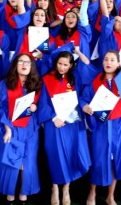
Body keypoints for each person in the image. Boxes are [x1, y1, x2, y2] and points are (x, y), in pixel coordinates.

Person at [81, 51, 121, 205]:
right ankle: (92, 192)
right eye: (105, 59)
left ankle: (111, 195)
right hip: (101, 126)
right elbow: (84, 98)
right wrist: (85, 107)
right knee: (98, 160)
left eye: (112, 60)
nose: (108, 62)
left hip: (120, 127)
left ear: (118, 63)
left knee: (115, 161)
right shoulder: (96, 81)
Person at [38, 51, 91, 205]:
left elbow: (87, 67)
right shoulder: (47, 79)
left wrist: (79, 52)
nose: (61, 67)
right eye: (59, 64)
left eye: (65, 65)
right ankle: (55, 187)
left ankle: (66, 188)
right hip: (53, 123)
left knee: (71, 154)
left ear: (71, 65)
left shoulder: (75, 79)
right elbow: (43, 103)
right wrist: (54, 117)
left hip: (72, 123)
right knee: (54, 154)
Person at [0, 53, 42, 204]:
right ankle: (9, 195)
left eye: (27, 62)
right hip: (11, 126)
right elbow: (0, 108)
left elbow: (44, 106)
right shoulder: (5, 83)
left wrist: (35, 107)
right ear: (15, 65)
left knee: (27, 161)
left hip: (30, 128)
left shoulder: (37, 84)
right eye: (20, 62)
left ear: (32, 66)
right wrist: (7, 128)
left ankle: (23, 194)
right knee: (11, 161)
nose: (24, 65)